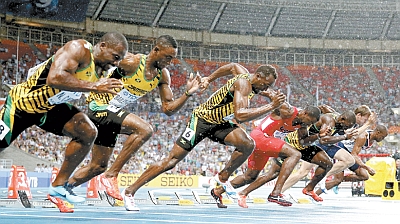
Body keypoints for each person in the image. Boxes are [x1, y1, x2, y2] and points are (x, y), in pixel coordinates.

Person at [120, 63, 286, 211]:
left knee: (247, 144)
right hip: (201, 121)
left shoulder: (244, 74)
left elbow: (231, 66)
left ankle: (222, 177)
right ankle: (129, 192)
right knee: (171, 161)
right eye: (265, 84)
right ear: (257, 76)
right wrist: (271, 105)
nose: (265, 89)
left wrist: (209, 78)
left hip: (219, 124)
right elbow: (240, 115)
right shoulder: (243, 83)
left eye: (269, 86)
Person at [64, 35, 201, 211]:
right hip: (99, 107)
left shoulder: (162, 75)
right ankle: (111, 176)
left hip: (111, 113)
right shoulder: (131, 62)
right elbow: (99, 60)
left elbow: (168, 109)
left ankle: (62, 189)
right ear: (156, 50)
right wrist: (92, 80)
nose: (170, 62)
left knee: (97, 166)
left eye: (172, 58)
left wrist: (188, 93)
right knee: (144, 130)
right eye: (167, 57)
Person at [0, 32, 128, 207]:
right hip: (22, 105)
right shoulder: (79, 49)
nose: (116, 63)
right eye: (115, 57)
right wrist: (93, 86)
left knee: (88, 132)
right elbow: (55, 78)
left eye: (119, 59)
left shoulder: (101, 71)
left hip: (49, 108)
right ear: (103, 45)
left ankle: (58, 186)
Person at [212, 101, 321, 208]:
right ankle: (275, 193)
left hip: (265, 144)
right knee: (295, 155)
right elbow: (278, 102)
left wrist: (319, 135)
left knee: (250, 176)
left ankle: (218, 191)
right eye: (309, 121)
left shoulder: (301, 125)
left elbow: (303, 142)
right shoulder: (289, 110)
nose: (309, 125)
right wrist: (268, 92)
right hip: (260, 137)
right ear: (305, 113)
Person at [282, 105, 376, 197]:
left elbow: (348, 134)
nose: (364, 122)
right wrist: (367, 124)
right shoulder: (334, 120)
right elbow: (324, 139)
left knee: (349, 160)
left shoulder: (344, 120)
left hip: (329, 144)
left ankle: (322, 177)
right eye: (365, 119)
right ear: (358, 115)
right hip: (314, 142)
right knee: (303, 172)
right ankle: (279, 190)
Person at [315, 124, 388, 195]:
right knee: (337, 180)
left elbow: (353, 154)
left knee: (364, 176)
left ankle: (338, 180)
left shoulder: (371, 138)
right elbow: (354, 155)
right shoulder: (363, 136)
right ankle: (314, 193)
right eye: (383, 136)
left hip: (350, 155)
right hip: (342, 151)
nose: (382, 139)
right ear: (378, 133)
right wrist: (367, 167)